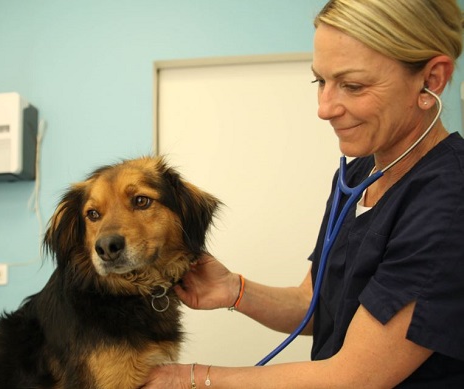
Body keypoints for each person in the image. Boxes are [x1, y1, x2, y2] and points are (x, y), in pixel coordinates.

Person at [143, 0, 464, 387]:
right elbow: (315, 304)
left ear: (432, 79)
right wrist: (233, 289)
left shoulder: (449, 203)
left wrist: (190, 379)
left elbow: (352, 378)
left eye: (352, 85)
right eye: (320, 81)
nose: (324, 108)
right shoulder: (359, 172)